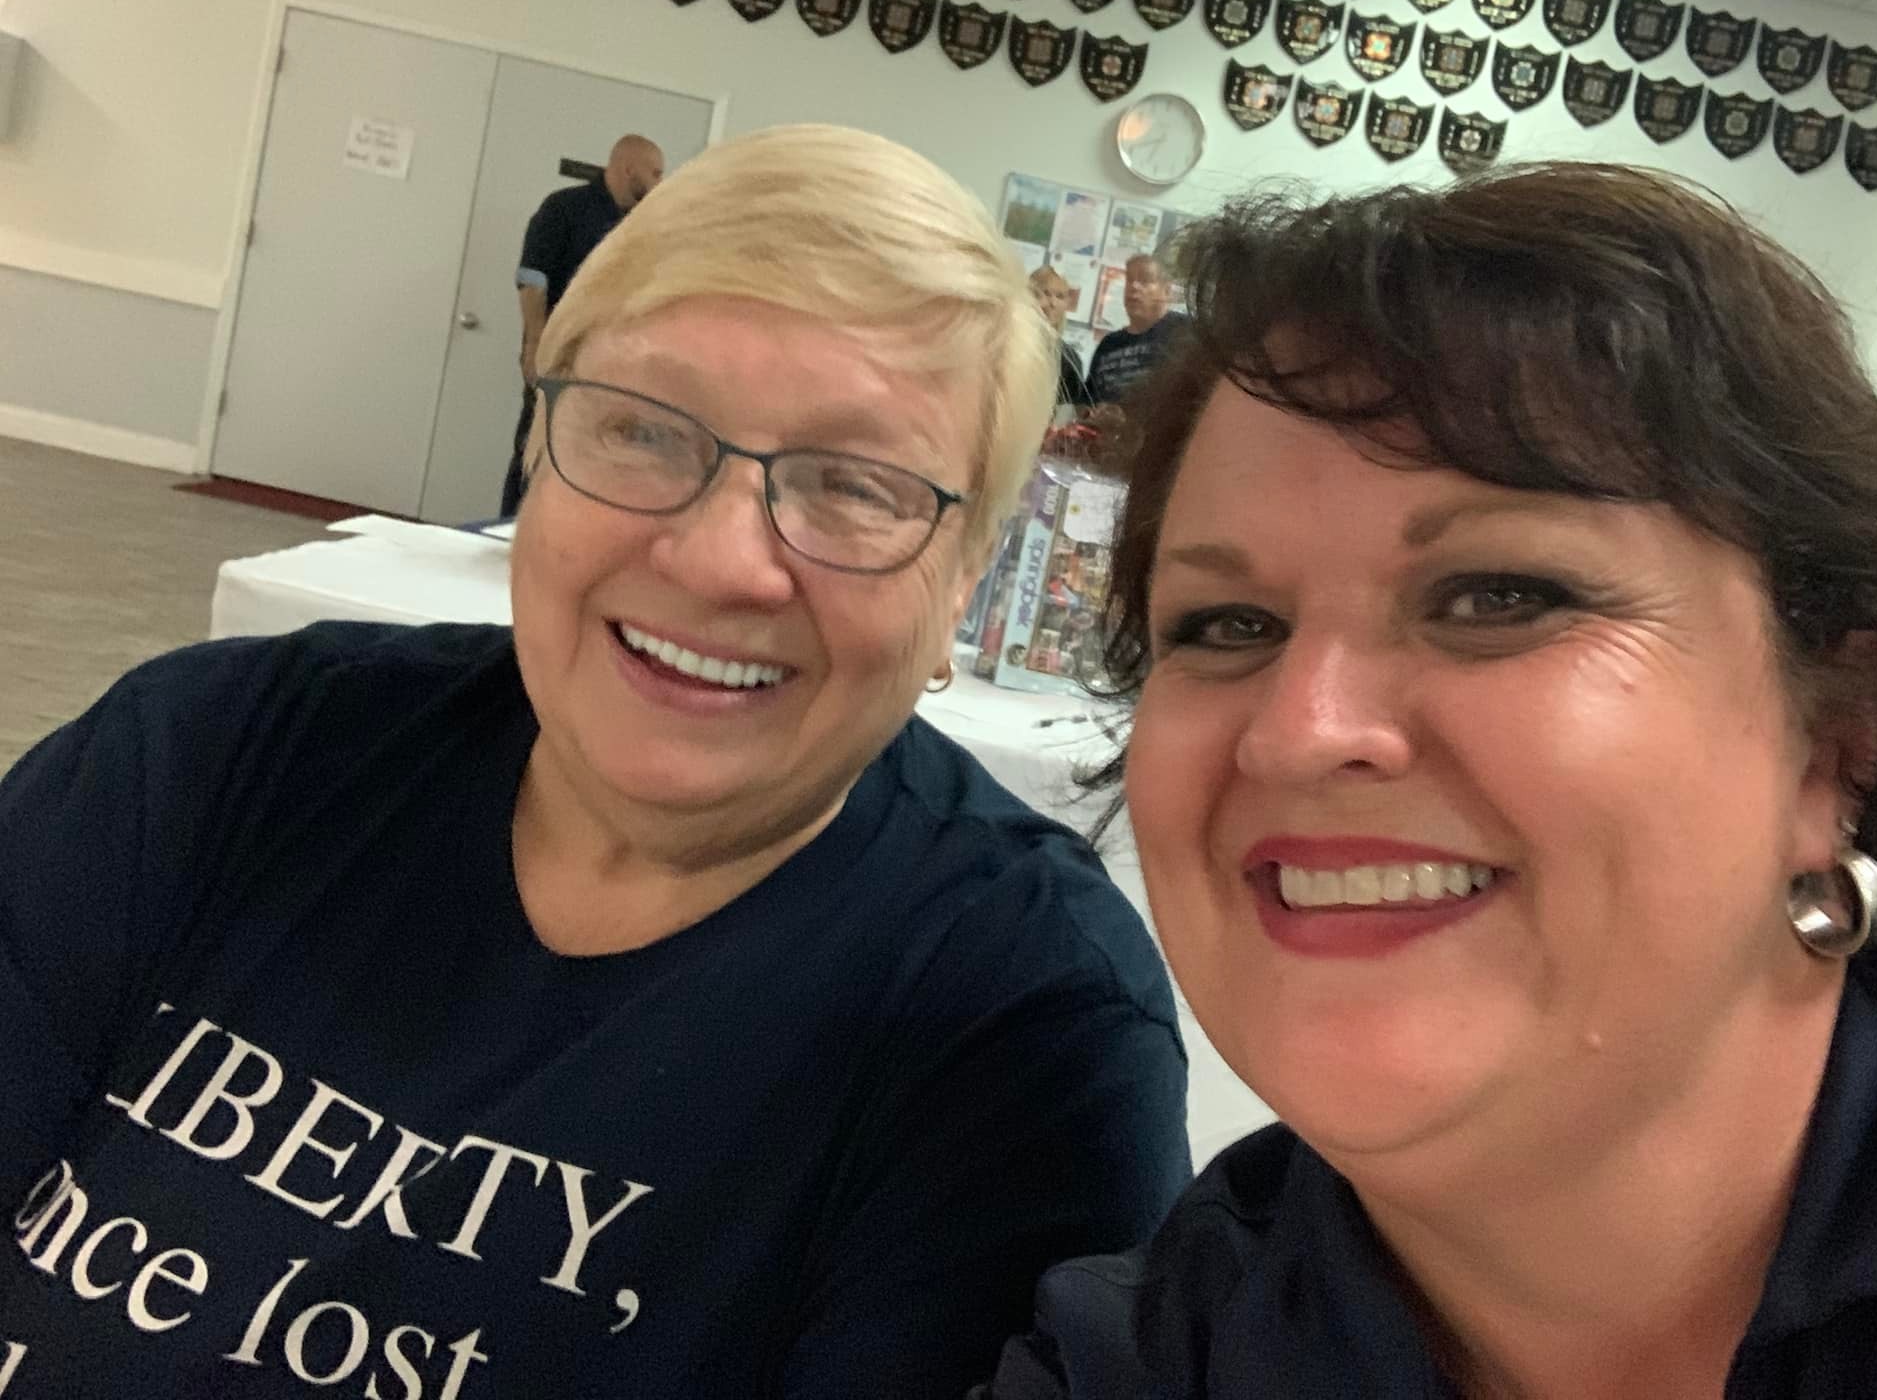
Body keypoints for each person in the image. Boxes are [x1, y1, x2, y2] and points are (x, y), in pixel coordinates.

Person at [0, 126, 1190, 1397]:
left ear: (961, 581)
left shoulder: (1016, 1029)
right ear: (535, 450)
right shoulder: (216, 753)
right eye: (643, 430)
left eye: (854, 486)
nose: (717, 560)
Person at [979, 164, 1877, 1398]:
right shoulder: (1154, 1359)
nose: (1298, 731)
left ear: (1841, 734)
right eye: (1226, 625)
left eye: (1499, 595)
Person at [501, 133, 667, 516]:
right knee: (534, 451)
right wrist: (535, 344)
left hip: (611, 362)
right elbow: (532, 278)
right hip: (558, 353)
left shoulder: (639, 226)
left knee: (586, 457)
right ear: (629, 169)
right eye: (656, 173)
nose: (661, 182)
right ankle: (512, 532)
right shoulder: (565, 208)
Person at [1084, 253, 1185, 410]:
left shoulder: (1185, 332)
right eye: (1129, 279)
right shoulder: (1109, 344)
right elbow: (1085, 403)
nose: (1134, 286)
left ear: (1166, 291)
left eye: (1145, 280)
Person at [1027, 264, 1090, 411]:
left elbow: (1067, 413)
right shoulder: (1008, 342)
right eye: (1046, 293)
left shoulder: (1069, 359)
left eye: (1060, 296)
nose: (1052, 303)